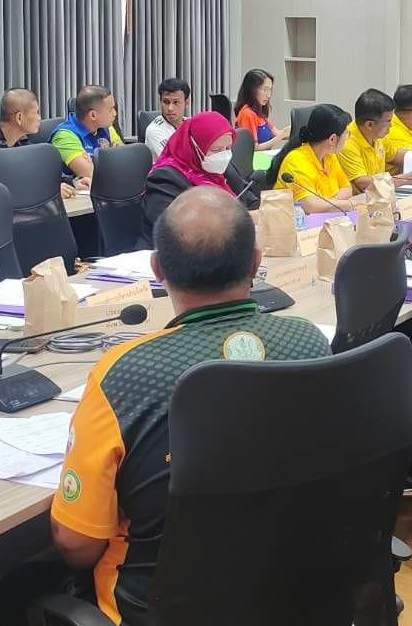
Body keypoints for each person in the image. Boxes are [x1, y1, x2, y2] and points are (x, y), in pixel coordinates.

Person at [48, 188, 329, 625]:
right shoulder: (308, 341)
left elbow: (76, 545)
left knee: (11, 589)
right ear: (256, 261)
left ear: (157, 269)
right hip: (298, 594)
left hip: (156, 610)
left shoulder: (122, 376)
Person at [141, 111, 256, 247]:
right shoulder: (165, 178)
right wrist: (241, 221)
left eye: (228, 148)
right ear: (195, 146)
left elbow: (249, 200)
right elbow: (176, 231)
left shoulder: (222, 168)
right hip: (179, 253)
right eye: (216, 150)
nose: (224, 155)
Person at [0, 88, 76, 198]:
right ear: (19, 117)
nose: (39, 118)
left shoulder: (23, 142)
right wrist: (47, 189)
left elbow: (40, 172)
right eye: (36, 112)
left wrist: (73, 182)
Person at [336, 88, 412, 193]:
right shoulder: (347, 143)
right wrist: (405, 179)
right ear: (369, 124)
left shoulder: (378, 135)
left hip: (380, 194)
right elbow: (362, 183)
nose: (391, 125)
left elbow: (395, 155)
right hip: (360, 199)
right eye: (388, 121)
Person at [275, 104, 358, 210]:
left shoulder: (329, 156)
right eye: (347, 134)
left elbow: (347, 188)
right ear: (332, 139)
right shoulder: (296, 161)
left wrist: (330, 203)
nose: (348, 138)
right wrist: (350, 204)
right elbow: (310, 206)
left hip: (327, 216)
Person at [51, 85, 124, 183]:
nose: (115, 113)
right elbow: (92, 174)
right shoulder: (64, 136)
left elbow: (124, 160)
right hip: (77, 190)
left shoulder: (106, 126)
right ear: (93, 115)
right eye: (110, 109)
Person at [234, 69, 288, 149]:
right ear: (252, 90)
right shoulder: (247, 114)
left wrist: (292, 130)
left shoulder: (259, 112)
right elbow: (254, 148)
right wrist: (280, 137)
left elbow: (277, 133)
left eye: (270, 90)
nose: (268, 95)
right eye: (265, 90)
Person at [142, 78, 190, 160]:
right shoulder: (154, 131)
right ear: (160, 102)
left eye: (176, 102)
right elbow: (175, 162)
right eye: (166, 102)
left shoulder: (191, 124)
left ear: (186, 103)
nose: (170, 108)